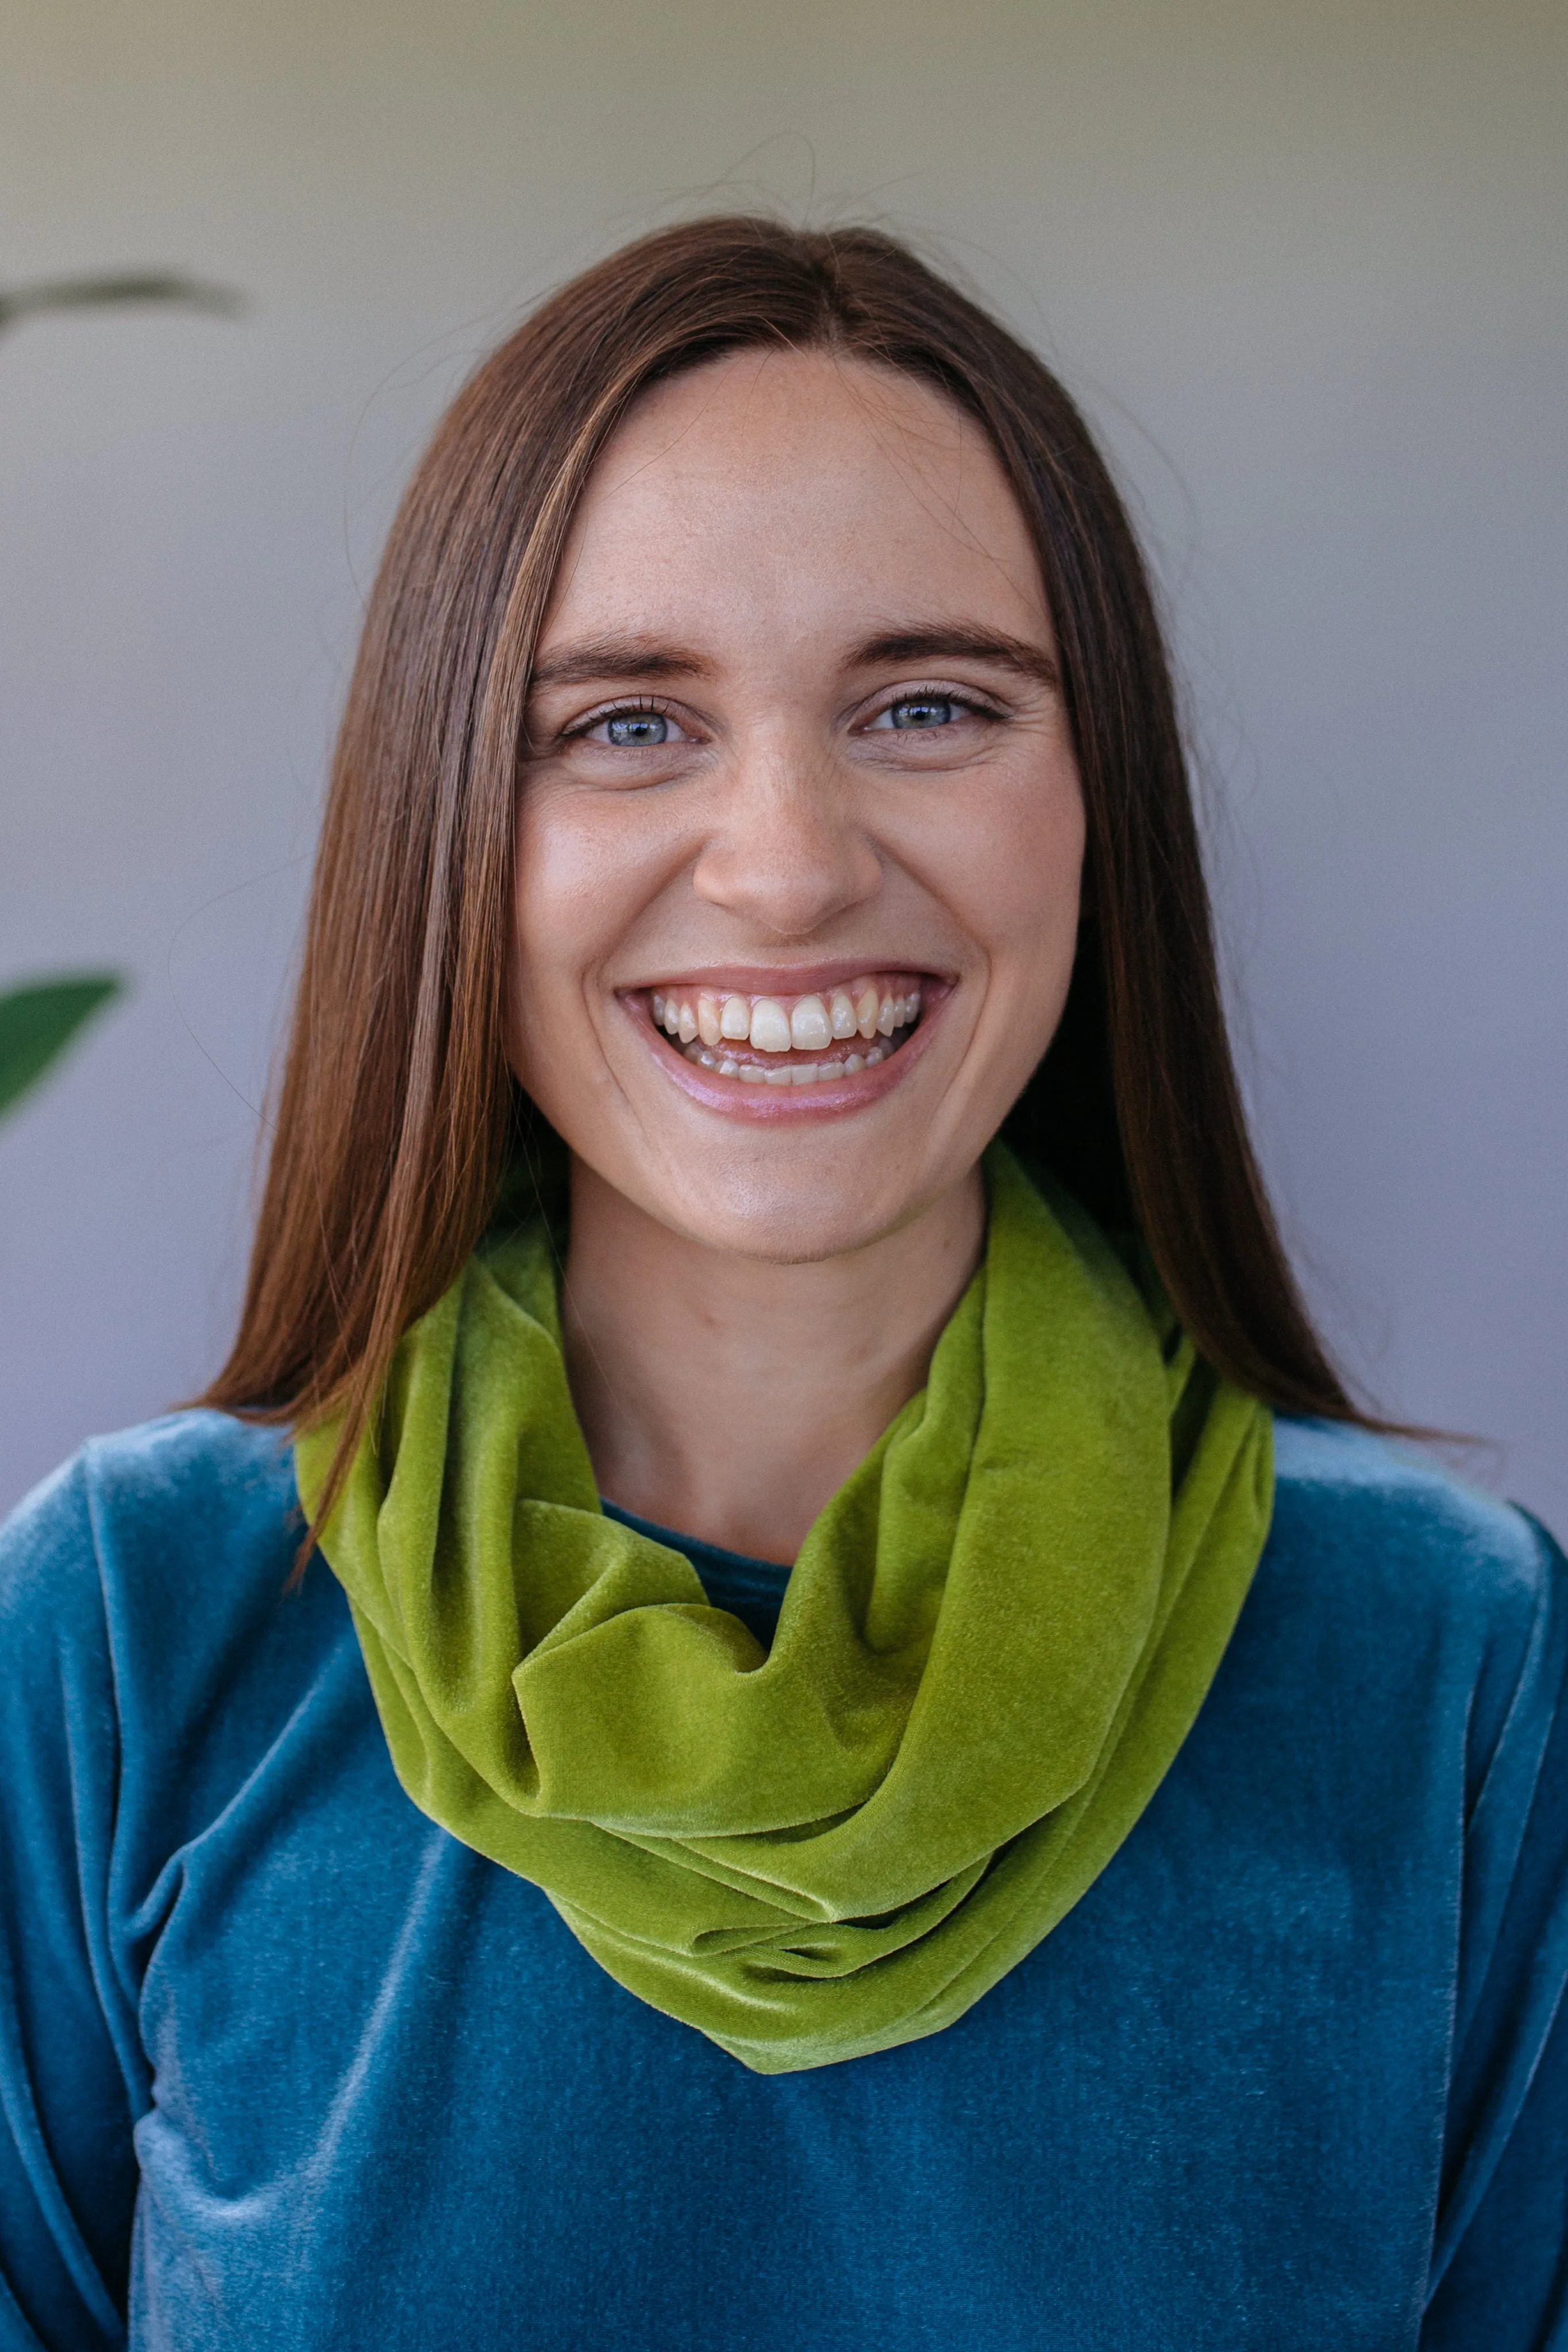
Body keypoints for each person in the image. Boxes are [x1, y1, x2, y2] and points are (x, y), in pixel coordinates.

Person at [1, 216, 1563, 2352]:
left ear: (1095, 799)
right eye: (629, 721)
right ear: (453, 819)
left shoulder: (1453, 1667)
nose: (791, 861)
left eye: (928, 704)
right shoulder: (127, 1626)